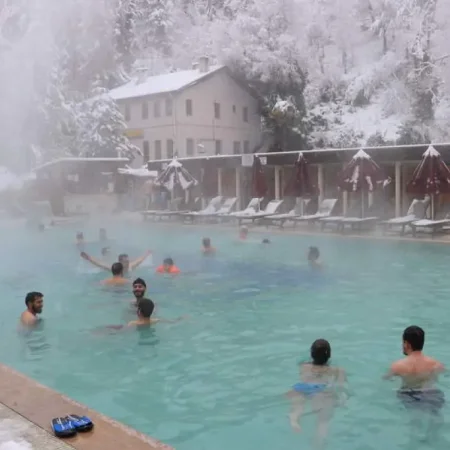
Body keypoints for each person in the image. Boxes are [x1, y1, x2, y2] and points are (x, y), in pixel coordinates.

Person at [286, 339, 346, 449]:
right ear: (330, 355)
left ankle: (294, 418)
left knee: (298, 404)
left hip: (302, 387)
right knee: (323, 422)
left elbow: (304, 377)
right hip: (322, 390)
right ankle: (318, 444)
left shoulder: (304, 366)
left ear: (311, 354)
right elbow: (340, 387)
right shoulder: (338, 370)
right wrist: (342, 399)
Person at [384, 326, 445, 433]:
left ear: (407, 344)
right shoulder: (436, 364)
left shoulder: (398, 366)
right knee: (435, 419)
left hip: (409, 395)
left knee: (415, 424)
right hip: (433, 394)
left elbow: (385, 380)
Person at [80, 250, 151, 274]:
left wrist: (147, 254)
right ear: (120, 262)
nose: (127, 263)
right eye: (125, 261)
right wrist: (89, 258)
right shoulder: (115, 268)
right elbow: (100, 264)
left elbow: (140, 260)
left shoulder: (130, 266)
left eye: (127, 261)